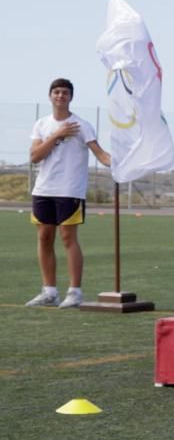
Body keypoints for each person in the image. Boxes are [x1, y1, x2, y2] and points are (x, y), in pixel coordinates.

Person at [26, 78, 111, 308]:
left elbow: (101, 154)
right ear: (50, 96)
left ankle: (74, 292)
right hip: (44, 188)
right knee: (44, 238)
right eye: (56, 92)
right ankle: (49, 291)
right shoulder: (41, 125)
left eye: (65, 93)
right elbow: (34, 157)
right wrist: (56, 135)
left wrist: (120, 162)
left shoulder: (82, 125)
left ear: (71, 97)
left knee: (67, 238)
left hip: (70, 189)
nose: (60, 96)